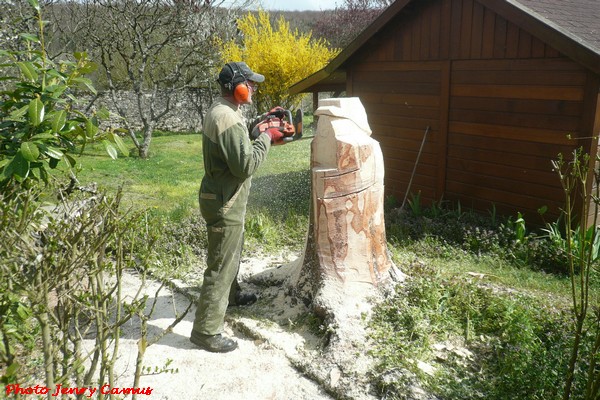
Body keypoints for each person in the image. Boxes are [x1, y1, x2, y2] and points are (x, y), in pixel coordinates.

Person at [190, 62, 285, 353]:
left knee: (230, 254)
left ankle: (230, 297)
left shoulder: (226, 111)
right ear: (236, 87)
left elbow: (237, 143)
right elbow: (245, 165)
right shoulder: (226, 117)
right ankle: (206, 331)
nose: (254, 88)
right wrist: (268, 137)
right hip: (224, 201)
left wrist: (259, 125)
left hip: (222, 196)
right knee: (220, 265)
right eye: (250, 84)